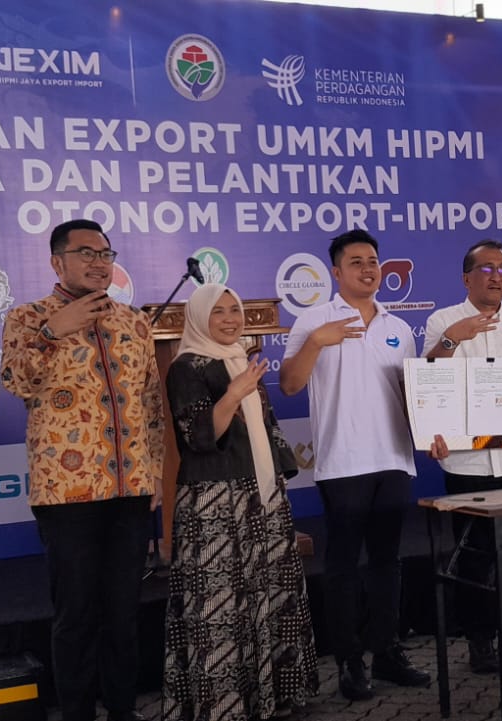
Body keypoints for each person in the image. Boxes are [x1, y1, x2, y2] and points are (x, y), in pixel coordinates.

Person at [0, 219, 164, 721]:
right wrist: (54, 331)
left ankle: (122, 709)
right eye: (86, 253)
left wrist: (155, 472)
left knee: (123, 613)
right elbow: (16, 381)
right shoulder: (27, 318)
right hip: (66, 493)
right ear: (57, 262)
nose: (98, 262)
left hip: (130, 487)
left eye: (105, 253)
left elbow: (150, 403)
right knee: (75, 614)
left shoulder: (134, 322)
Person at [278, 229, 431, 699]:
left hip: (393, 457)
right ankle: (349, 661)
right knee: (343, 563)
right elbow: (289, 384)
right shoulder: (314, 320)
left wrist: (433, 432)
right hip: (343, 461)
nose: (368, 269)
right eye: (356, 262)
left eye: (373, 261)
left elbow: (410, 393)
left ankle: (386, 651)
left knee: (387, 560)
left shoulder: (397, 326)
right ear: (336, 271)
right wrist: (317, 342)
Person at [163, 283, 318, 721]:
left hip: (261, 495)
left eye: (235, 310)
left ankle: (272, 696)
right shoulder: (186, 368)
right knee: (221, 606)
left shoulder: (240, 360)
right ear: (199, 318)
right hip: (214, 502)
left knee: (270, 595)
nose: (230, 319)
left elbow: (265, 431)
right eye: (218, 312)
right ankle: (224, 706)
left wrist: (277, 481)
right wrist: (233, 394)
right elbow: (197, 437)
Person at [423, 239, 502, 673]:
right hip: (469, 461)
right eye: (486, 268)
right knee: (475, 553)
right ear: (466, 278)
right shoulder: (443, 320)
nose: (497, 276)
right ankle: (480, 640)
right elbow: (430, 380)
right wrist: (452, 338)